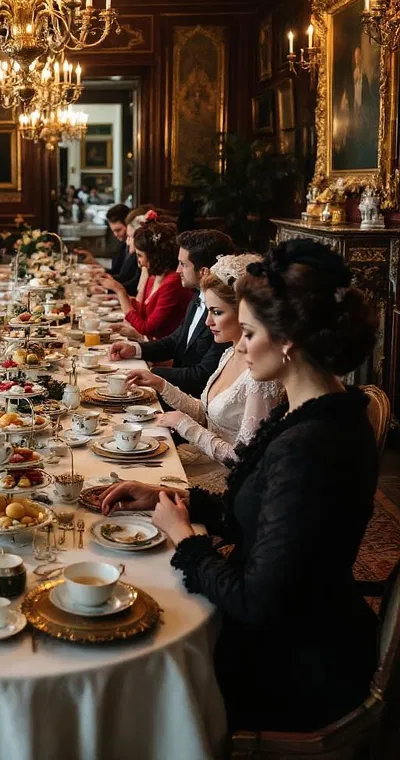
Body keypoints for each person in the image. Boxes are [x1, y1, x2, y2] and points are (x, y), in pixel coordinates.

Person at [100, 239, 379, 732]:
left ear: (288, 338)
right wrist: (173, 498)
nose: (240, 346)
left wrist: (186, 539)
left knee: (123, 658)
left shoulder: (312, 442)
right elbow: (255, 511)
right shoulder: (314, 410)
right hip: (294, 625)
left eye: (248, 333)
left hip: (292, 664)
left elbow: (256, 601)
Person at [124, 254, 284, 488]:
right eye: (208, 311)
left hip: (226, 481)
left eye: (217, 312)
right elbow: (208, 414)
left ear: (244, 313)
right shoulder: (230, 352)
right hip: (203, 457)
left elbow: (243, 460)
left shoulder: (259, 376)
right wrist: (160, 384)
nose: (208, 322)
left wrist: (184, 426)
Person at [108, 229, 235, 397]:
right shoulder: (198, 295)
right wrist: (135, 349)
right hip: (175, 392)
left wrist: (153, 373)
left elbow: (203, 374)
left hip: (194, 400)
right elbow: (176, 341)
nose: (177, 271)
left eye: (183, 264)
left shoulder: (225, 314)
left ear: (203, 271)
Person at [101, 213, 194, 340]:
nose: (139, 261)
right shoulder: (153, 278)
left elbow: (147, 328)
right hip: (151, 344)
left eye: (140, 255)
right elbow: (142, 312)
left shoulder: (173, 282)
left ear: (153, 256)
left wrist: (120, 291)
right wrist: (121, 297)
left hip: (163, 354)